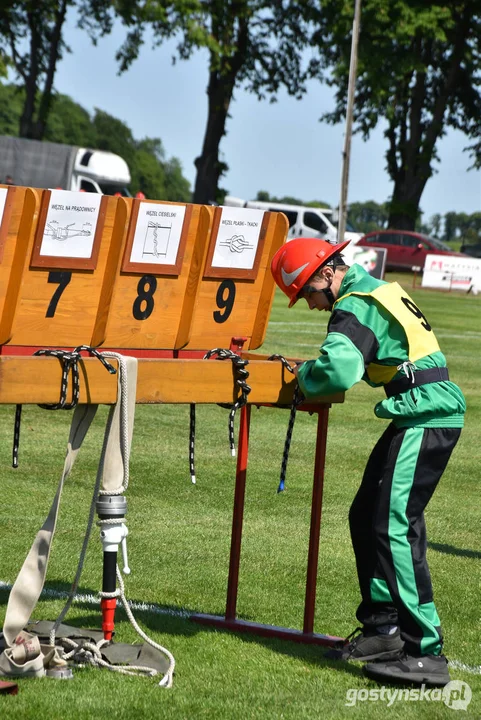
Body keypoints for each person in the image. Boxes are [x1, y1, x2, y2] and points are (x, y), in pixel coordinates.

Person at [270, 238, 466, 687]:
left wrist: (302, 374)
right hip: (422, 410)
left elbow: (338, 372)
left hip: (426, 416)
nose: (312, 305)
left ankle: (425, 650)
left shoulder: (354, 304)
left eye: (308, 294)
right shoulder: (376, 290)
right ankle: (383, 629)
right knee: (366, 515)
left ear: (326, 274)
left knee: (393, 524)